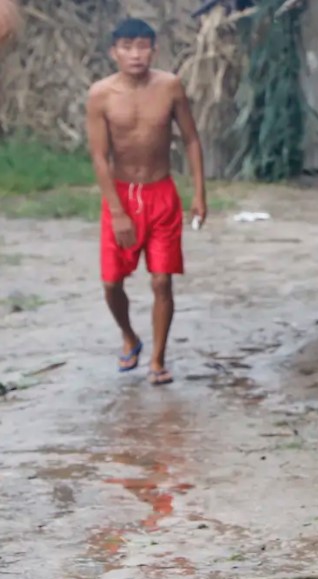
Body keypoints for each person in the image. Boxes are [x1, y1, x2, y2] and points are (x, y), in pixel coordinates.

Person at [85, 18, 206, 385]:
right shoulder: (100, 95)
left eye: (142, 46)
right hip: (120, 195)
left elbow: (190, 140)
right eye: (127, 47)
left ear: (153, 50)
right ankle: (129, 336)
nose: (135, 54)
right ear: (114, 52)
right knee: (110, 283)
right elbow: (99, 157)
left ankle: (157, 360)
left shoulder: (170, 87)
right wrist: (117, 211)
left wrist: (200, 192)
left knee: (161, 281)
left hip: (161, 193)